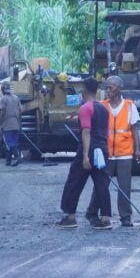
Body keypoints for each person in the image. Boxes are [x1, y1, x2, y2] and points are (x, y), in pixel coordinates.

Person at [85, 75, 140, 227]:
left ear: (118, 89)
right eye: (106, 87)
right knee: (101, 185)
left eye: (110, 87)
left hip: (124, 153)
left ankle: (125, 217)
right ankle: (91, 212)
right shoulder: (101, 106)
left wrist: (138, 149)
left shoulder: (130, 106)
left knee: (125, 186)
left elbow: (135, 128)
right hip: (106, 153)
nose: (107, 90)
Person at [56, 77, 112, 229]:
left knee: (74, 181)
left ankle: (70, 216)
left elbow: (86, 132)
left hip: (88, 150)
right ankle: (105, 218)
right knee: (102, 184)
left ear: (84, 89)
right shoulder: (103, 109)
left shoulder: (85, 108)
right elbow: (105, 132)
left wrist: (86, 156)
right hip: (102, 149)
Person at [0, 82, 23, 166]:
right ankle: (8, 161)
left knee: (8, 143)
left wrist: (1, 124)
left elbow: (2, 112)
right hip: (16, 123)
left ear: (2, 90)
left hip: (7, 124)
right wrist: (19, 124)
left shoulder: (3, 99)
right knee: (13, 142)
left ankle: (17, 157)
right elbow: (20, 112)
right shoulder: (16, 98)